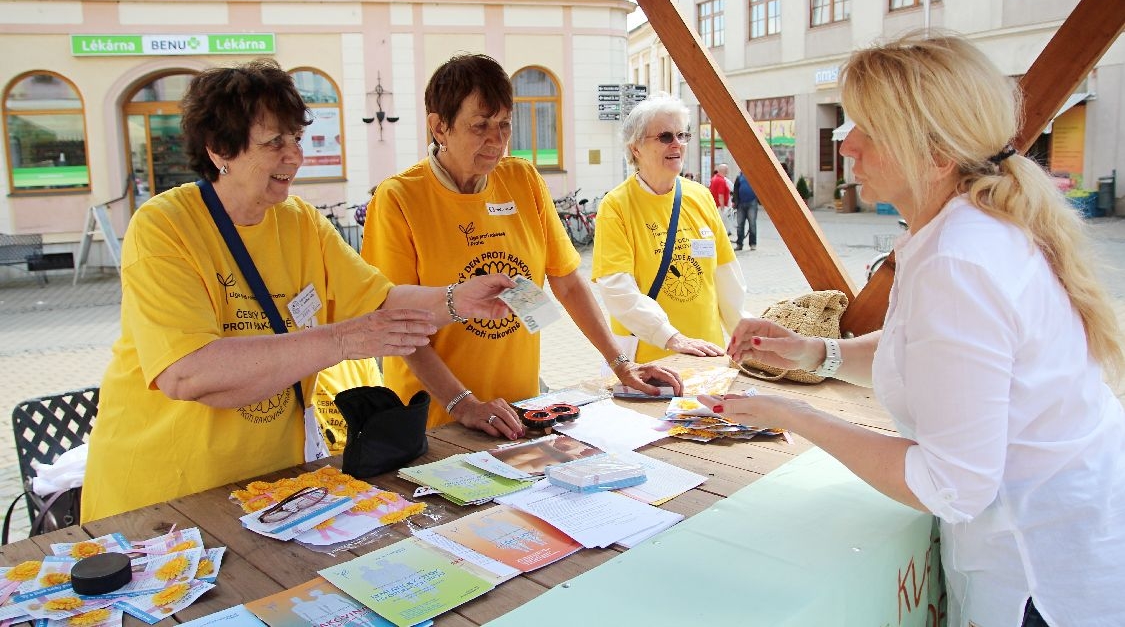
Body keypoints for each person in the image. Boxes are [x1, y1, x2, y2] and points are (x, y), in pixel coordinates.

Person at [702, 33, 1125, 627]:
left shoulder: (960, 260)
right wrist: (814, 353)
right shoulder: (958, 233)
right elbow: (918, 355)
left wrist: (791, 415)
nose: (845, 143)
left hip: (1044, 575)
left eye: (867, 129)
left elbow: (951, 485)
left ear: (935, 155)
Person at [82, 59, 514, 522]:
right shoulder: (165, 226)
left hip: (267, 490)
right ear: (219, 151)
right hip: (164, 497)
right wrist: (345, 340)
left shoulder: (301, 221)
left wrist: (455, 300)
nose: (294, 156)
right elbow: (186, 373)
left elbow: (380, 300)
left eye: (296, 139)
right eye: (274, 143)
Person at [362, 54, 681, 441]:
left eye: (504, 125)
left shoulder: (522, 179)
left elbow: (566, 281)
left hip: (519, 411)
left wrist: (620, 363)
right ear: (439, 126)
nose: (496, 141)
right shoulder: (399, 199)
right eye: (480, 126)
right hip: (437, 422)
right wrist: (463, 404)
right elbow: (400, 327)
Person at [592, 93, 749, 365]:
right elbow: (617, 288)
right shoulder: (616, 205)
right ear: (636, 148)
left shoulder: (700, 196)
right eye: (665, 136)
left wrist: (745, 340)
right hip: (649, 360)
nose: (677, 144)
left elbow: (726, 276)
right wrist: (671, 337)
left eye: (682, 135)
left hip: (707, 353)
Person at [731, 169, 758, 251]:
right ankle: (739, 244)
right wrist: (734, 201)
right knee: (740, 225)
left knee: (752, 224)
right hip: (740, 204)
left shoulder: (754, 177)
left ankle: (753, 244)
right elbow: (735, 190)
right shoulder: (739, 177)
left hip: (752, 203)